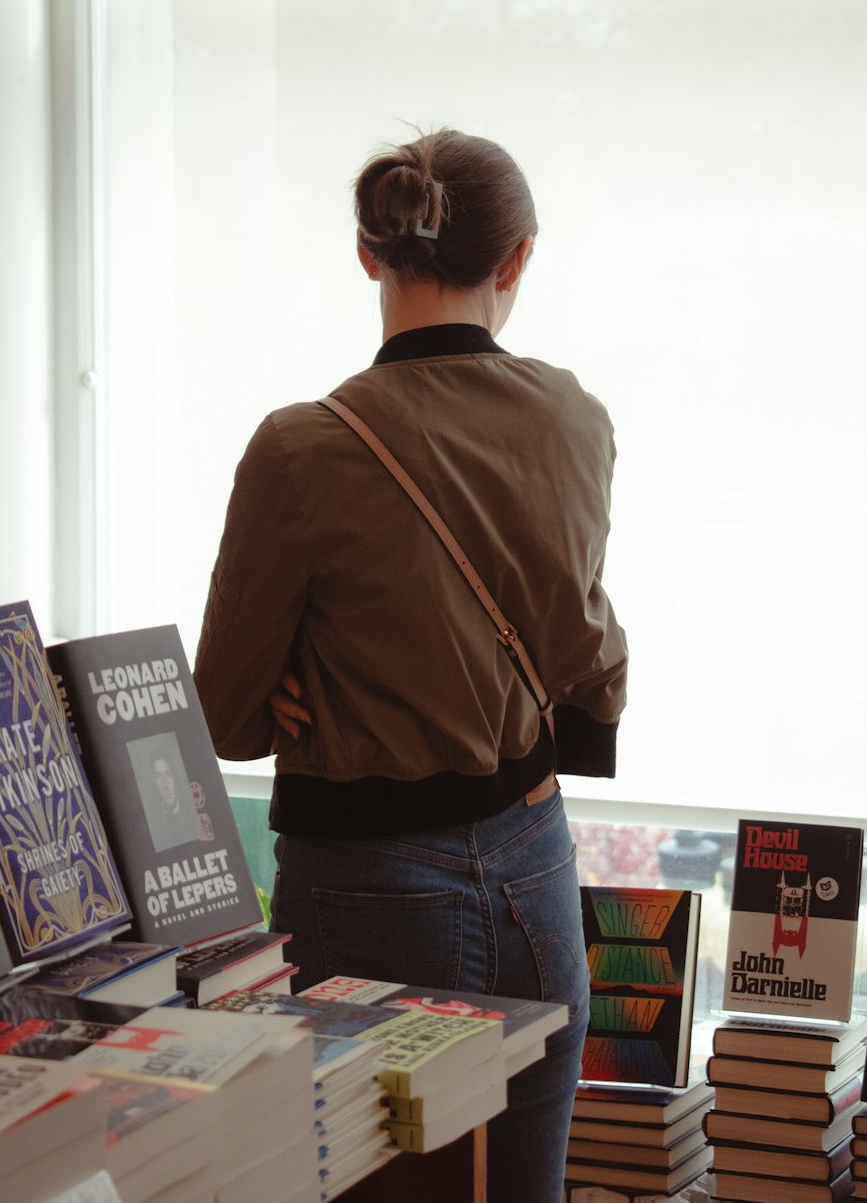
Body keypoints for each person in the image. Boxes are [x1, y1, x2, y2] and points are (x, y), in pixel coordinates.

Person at [194, 127, 627, 1202]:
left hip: (366, 887)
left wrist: (312, 676)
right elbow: (582, 656)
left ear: (365, 252)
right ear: (515, 258)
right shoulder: (573, 418)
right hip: (536, 866)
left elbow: (228, 718)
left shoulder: (300, 448)